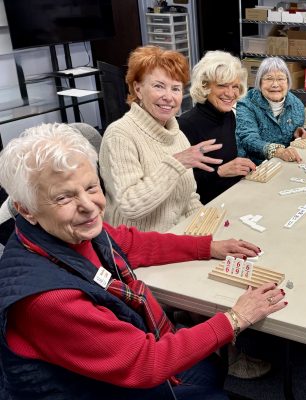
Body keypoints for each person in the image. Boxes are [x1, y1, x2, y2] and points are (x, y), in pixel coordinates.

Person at [0, 123, 287, 399]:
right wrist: (236, 318)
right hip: (99, 389)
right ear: (27, 210)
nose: (89, 207)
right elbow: (145, 363)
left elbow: (133, 243)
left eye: (91, 187)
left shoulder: (68, 233)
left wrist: (208, 246)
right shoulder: (47, 299)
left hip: (124, 362)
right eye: (64, 198)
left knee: (210, 368)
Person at [99, 45, 222, 232]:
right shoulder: (120, 135)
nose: (169, 97)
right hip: (137, 241)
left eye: (176, 89)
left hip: (177, 234)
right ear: (138, 89)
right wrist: (176, 163)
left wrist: (206, 226)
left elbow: (189, 198)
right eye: (159, 86)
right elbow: (131, 206)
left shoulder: (177, 135)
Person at [179, 51, 256, 204]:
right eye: (222, 85)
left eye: (235, 86)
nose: (230, 93)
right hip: (205, 208)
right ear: (205, 86)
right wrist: (220, 172)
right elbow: (181, 185)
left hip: (232, 197)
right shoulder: (186, 124)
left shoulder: (229, 115)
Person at [235, 57, 306, 165]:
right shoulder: (246, 104)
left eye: (280, 79)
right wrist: (278, 151)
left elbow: (292, 141)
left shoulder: (296, 105)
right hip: (254, 166)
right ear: (260, 82)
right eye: (269, 79)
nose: (275, 84)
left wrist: (296, 135)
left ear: (288, 82)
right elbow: (249, 139)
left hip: (284, 163)